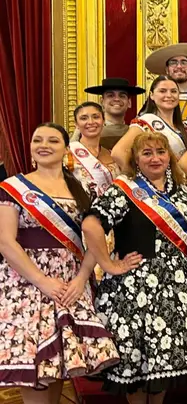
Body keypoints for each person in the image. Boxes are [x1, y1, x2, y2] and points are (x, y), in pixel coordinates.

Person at [82, 132, 187, 403]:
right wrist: (109, 264)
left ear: (169, 156)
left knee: (164, 367)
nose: (155, 158)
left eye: (160, 152)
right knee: (137, 369)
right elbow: (91, 225)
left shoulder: (182, 192)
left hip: (179, 288)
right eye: (147, 153)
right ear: (136, 159)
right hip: (136, 288)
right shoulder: (124, 188)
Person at [0, 123, 119, 400]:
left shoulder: (82, 190)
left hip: (70, 284)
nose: (43, 145)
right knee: (36, 376)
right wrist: (43, 282)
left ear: (66, 149)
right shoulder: (13, 186)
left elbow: (95, 240)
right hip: (28, 284)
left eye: (53, 140)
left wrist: (81, 280)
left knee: (59, 368)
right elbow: (6, 242)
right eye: (37, 139)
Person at [112, 75, 187, 172]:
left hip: (185, 184)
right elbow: (118, 153)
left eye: (173, 91)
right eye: (162, 91)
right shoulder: (145, 122)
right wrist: (140, 179)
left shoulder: (186, 128)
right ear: (151, 95)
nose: (169, 95)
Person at [65, 102, 120, 197]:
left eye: (96, 117)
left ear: (103, 121)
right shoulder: (66, 153)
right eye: (84, 118)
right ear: (76, 124)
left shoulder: (113, 155)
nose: (90, 122)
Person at [144, 42, 187, 120]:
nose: (179, 66)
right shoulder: (156, 100)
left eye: (184, 62)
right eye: (173, 62)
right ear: (167, 70)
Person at [76, 78, 146, 149]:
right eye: (110, 95)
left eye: (122, 96)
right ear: (102, 101)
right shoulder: (84, 132)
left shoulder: (136, 132)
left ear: (129, 102)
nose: (117, 99)